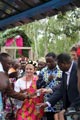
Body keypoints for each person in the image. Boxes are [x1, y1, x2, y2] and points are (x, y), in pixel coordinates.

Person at [39, 53, 79, 119]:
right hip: (70, 108)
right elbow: (61, 90)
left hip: (76, 107)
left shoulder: (77, 69)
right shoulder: (64, 71)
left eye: (59, 65)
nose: (59, 68)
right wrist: (48, 103)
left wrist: (72, 107)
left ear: (64, 63)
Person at [0, 53, 33, 119]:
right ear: (1, 63)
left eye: (11, 64)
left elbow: (11, 92)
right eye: (8, 64)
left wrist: (27, 96)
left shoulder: (5, 75)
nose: (10, 66)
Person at [37, 52, 63, 120]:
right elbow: (38, 85)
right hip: (47, 103)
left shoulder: (61, 70)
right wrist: (47, 80)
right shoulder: (43, 71)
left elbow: (63, 85)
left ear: (55, 60)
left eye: (50, 62)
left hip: (60, 103)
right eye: (47, 62)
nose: (48, 63)